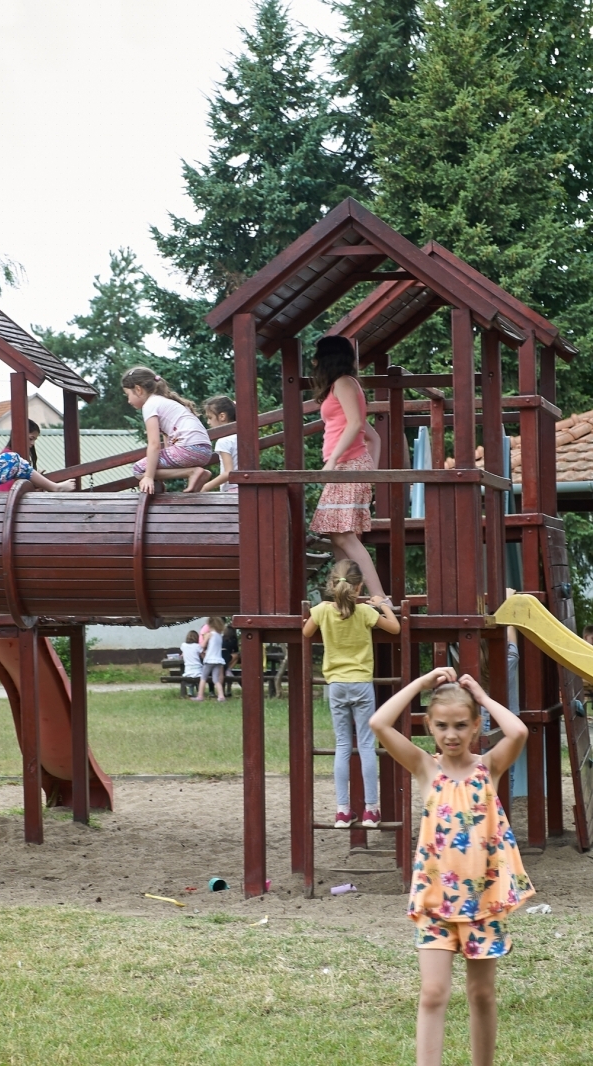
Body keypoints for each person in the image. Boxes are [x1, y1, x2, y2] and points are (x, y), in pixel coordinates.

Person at [370, 667, 534, 1066]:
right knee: (432, 993)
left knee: (482, 994)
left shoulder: (488, 767)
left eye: (461, 725)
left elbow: (518, 732)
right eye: (441, 726)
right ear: (429, 726)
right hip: (435, 903)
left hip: (484, 904)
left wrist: (481, 695)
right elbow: (378, 723)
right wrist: (421, 684)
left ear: (476, 726)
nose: (451, 735)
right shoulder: (425, 768)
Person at [303, 559, 400, 828]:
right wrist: (381, 603)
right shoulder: (365, 612)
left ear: (332, 585)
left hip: (336, 685)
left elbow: (306, 631)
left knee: (343, 746)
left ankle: (343, 811)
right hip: (362, 684)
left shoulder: (322, 611)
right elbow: (395, 628)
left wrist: (318, 615)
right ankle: (371, 810)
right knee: (367, 746)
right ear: (359, 588)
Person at [309, 335, 387, 601]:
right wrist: (370, 474)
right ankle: (346, 596)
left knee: (344, 536)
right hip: (350, 466)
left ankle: (379, 596)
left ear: (327, 358)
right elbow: (373, 437)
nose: (313, 362)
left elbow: (355, 424)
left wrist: (333, 461)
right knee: (338, 536)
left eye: (316, 357)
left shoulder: (343, 383)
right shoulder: (343, 385)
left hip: (346, 465)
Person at [122, 367, 213, 494]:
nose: (128, 401)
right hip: (205, 451)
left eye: (128, 395)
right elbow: (167, 445)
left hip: (187, 449)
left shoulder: (150, 405)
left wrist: (149, 476)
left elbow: (154, 444)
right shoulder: (165, 402)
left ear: (138, 389)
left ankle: (192, 472)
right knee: (151, 466)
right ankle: (197, 473)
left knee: (139, 469)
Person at [201, 395, 238, 493]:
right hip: (245, 488)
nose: (208, 422)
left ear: (222, 416)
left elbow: (228, 472)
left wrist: (206, 487)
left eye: (210, 418)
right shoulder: (240, 437)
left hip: (231, 490)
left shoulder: (223, 441)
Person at [0, 419, 41, 492]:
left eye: (34, 440)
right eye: (31, 439)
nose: (33, 443)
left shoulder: (7, 454)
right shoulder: (10, 458)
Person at [192, 616, 226, 701]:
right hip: (218, 660)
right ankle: (221, 696)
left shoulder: (209, 634)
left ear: (210, 625)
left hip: (209, 659)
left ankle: (200, 696)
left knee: (203, 677)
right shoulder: (219, 636)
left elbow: (202, 645)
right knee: (216, 679)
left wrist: (203, 641)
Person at [180, 630, 203, 695]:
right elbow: (203, 656)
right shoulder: (198, 646)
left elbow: (183, 654)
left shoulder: (183, 645)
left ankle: (190, 690)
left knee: (189, 676)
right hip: (198, 671)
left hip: (188, 671)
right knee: (200, 676)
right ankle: (199, 690)